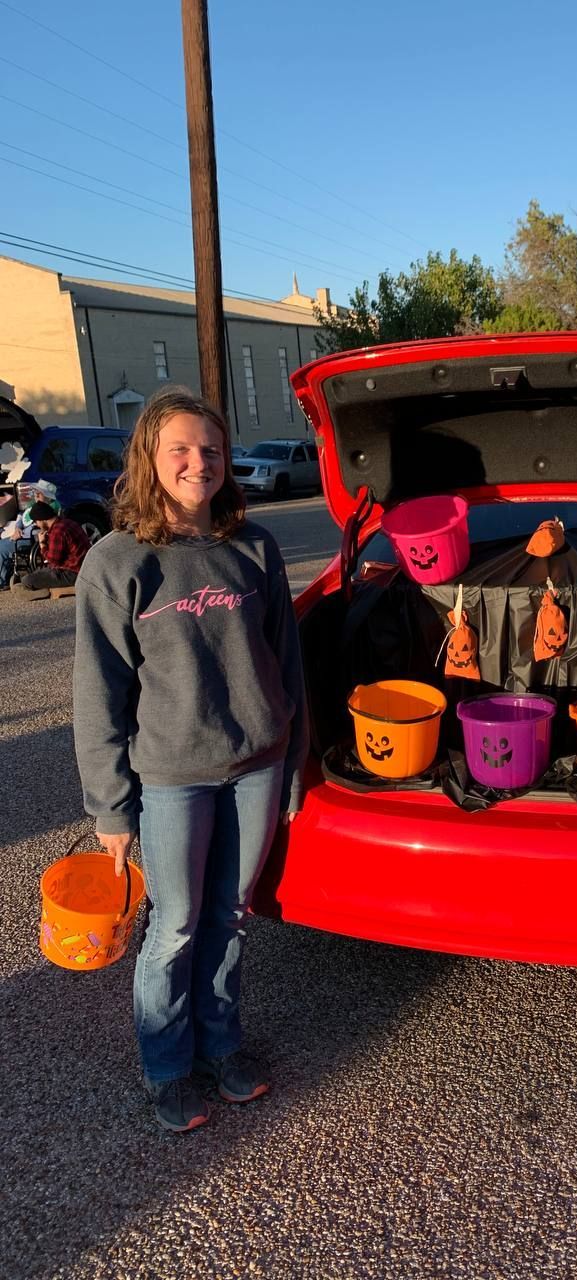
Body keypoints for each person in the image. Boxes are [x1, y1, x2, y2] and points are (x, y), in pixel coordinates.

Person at [73, 386, 309, 1133]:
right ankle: (168, 1066)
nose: (197, 462)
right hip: (172, 779)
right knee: (174, 924)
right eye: (179, 448)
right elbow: (98, 695)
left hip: (257, 766)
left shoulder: (253, 548)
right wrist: (111, 808)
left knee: (230, 916)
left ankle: (220, 1044)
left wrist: (293, 763)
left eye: (211, 449)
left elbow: (288, 665)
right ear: (149, 457)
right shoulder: (117, 562)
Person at [18, 500, 90, 596]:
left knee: (27, 580)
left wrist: (42, 543)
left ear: (42, 519)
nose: (36, 525)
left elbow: (53, 560)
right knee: (41, 572)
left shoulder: (57, 531)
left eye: (36, 522)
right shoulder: (68, 522)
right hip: (84, 568)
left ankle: (40, 591)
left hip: (72, 573)